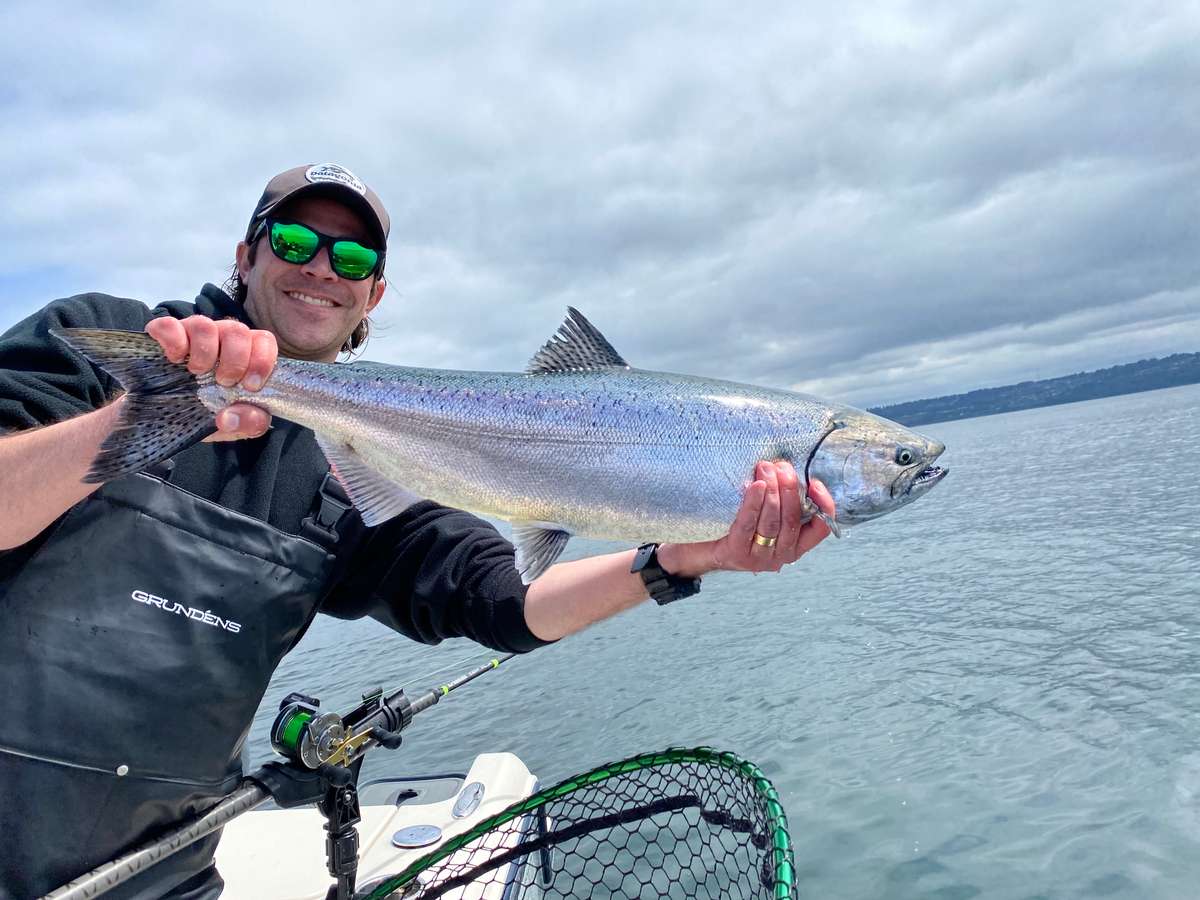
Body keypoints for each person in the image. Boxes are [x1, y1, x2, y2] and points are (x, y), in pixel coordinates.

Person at [0, 163, 834, 899]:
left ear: (373, 295)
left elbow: (507, 604)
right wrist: (142, 416)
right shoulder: (110, 343)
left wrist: (685, 557)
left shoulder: (358, 464)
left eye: (354, 259)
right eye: (295, 241)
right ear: (246, 255)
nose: (323, 268)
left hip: (161, 869)